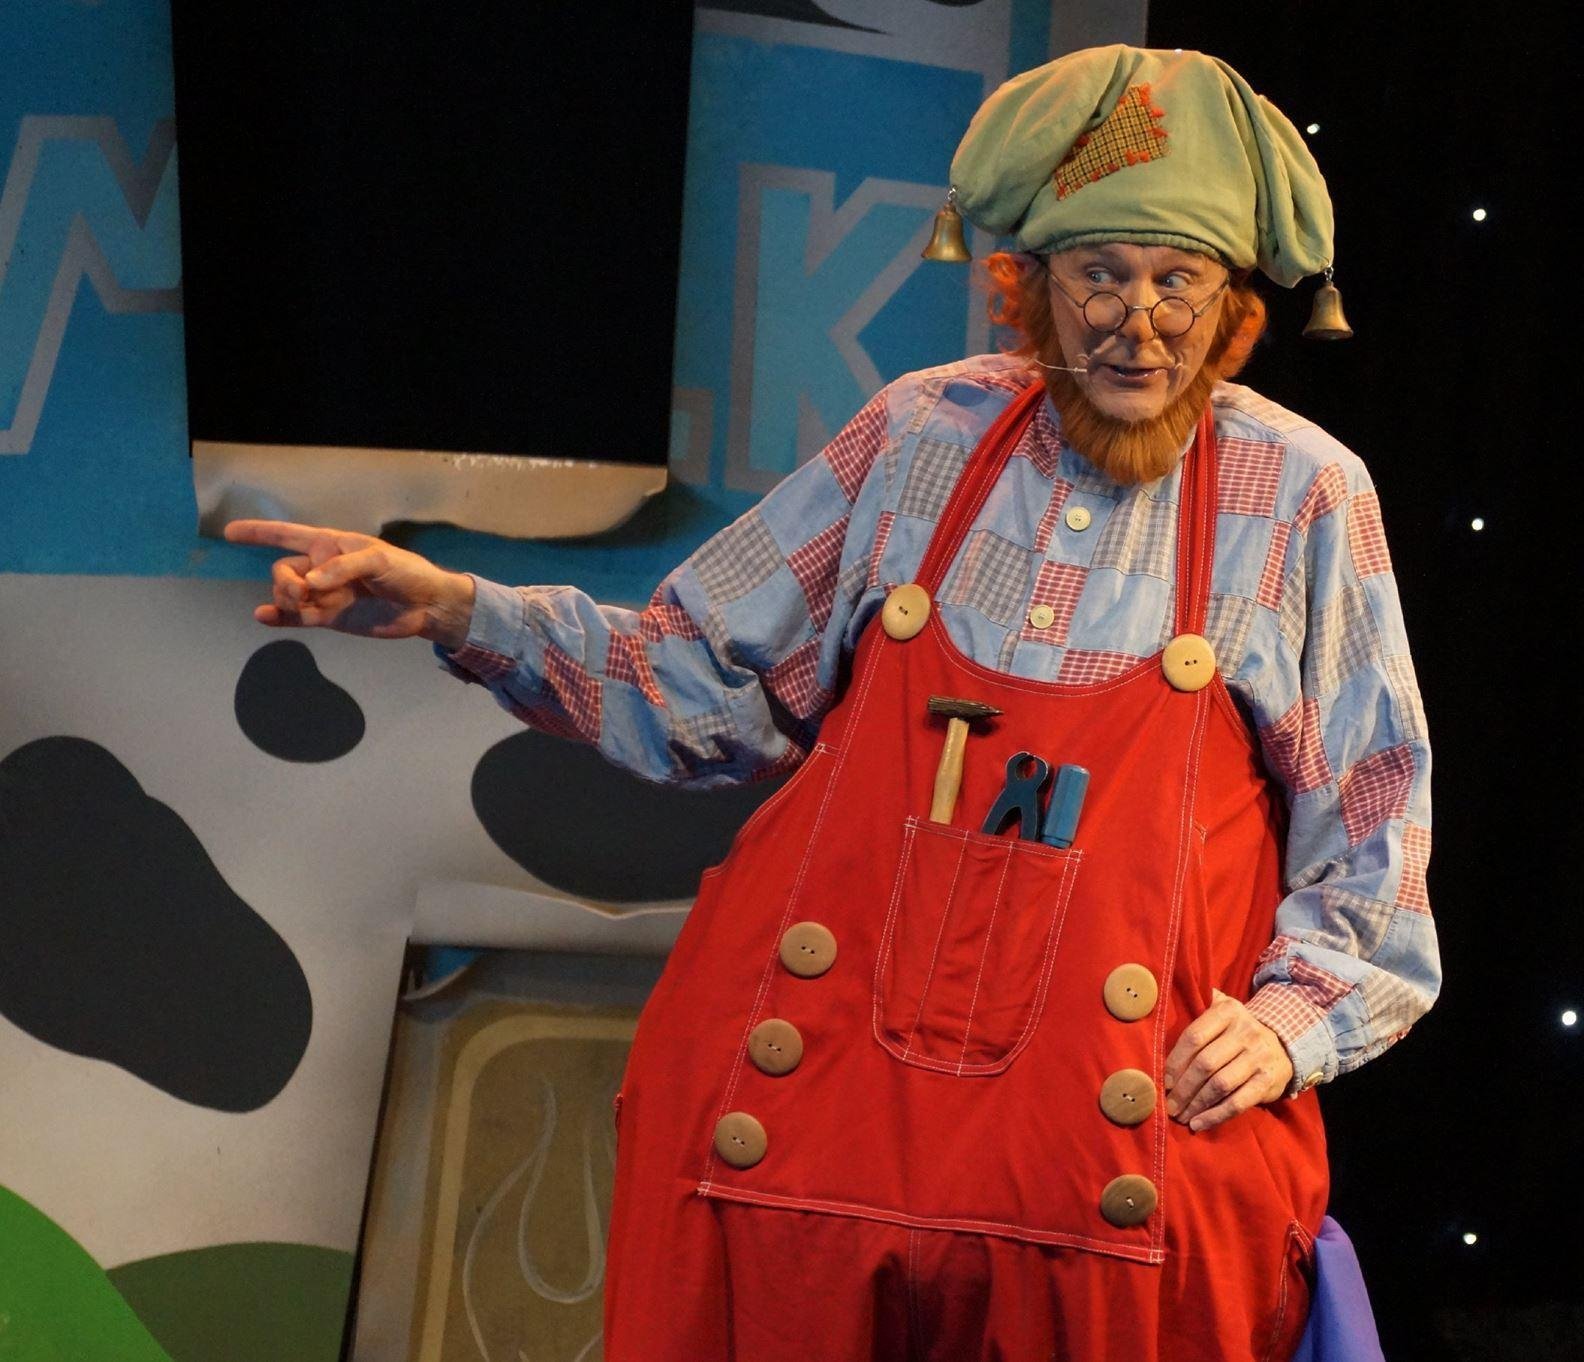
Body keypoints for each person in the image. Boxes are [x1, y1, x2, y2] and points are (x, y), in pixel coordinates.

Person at [227, 43, 1439, 1361]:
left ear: (1234, 307)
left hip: (1099, 1188)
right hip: (811, 1151)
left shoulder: (1304, 491)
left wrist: (1289, 1022)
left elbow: (1373, 817)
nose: (1136, 322)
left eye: (1177, 280)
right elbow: (695, 686)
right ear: (1028, 287)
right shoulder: (924, 434)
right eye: (1099, 273)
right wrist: (464, 609)